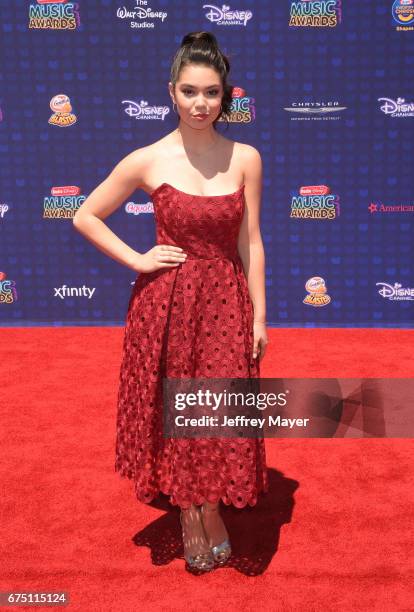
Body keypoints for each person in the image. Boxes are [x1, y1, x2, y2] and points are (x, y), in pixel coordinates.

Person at [73, 30, 269, 572]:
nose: (201, 103)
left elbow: (250, 242)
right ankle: (191, 510)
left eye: (211, 92)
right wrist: (138, 259)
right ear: (171, 93)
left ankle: (209, 502)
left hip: (226, 303)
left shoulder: (246, 157)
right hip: (169, 306)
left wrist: (260, 315)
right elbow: (84, 214)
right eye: (189, 91)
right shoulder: (147, 158)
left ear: (226, 94)